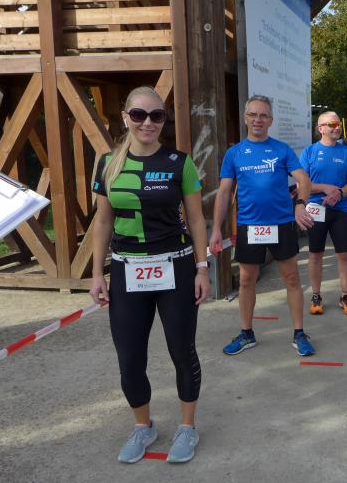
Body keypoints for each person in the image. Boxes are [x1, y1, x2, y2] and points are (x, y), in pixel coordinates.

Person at [89, 86, 210, 464]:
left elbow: (196, 219)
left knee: (181, 351)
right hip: (128, 271)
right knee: (129, 359)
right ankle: (143, 426)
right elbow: (103, 221)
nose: (148, 122)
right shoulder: (108, 163)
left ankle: (187, 427)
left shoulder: (179, 162)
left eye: (156, 116)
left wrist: (202, 268)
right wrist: (97, 273)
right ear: (125, 117)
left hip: (176, 267)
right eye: (139, 114)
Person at [210, 94, 316, 358]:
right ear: (245, 118)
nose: (258, 119)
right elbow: (224, 193)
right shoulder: (234, 153)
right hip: (249, 226)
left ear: (270, 120)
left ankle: (299, 333)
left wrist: (300, 204)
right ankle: (246, 333)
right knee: (247, 280)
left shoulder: (281, 149)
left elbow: (304, 180)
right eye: (253, 114)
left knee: (292, 278)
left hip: (281, 224)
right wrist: (216, 229)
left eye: (263, 115)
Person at [301, 111, 347, 315]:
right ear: (321, 128)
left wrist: (340, 192)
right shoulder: (309, 152)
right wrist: (325, 188)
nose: (337, 127)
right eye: (332, 124)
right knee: (315, 255)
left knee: (344, 255)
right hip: (316, 210)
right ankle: (316, 295)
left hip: (340, 210)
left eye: (338, 124)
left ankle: (345, 295)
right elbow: (302, 184)